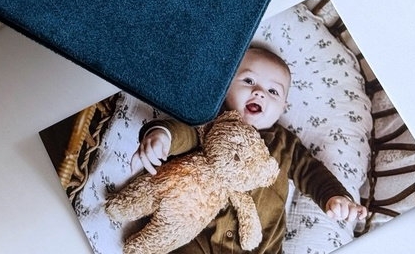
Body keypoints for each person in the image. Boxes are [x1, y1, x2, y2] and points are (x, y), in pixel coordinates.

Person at [133, 45, 367, 253]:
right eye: (248, 81)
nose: (259, 92)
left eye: (273, 92)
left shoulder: (285, 144)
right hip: (196, 238)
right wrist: (163, 136)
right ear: (225, 87)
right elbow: (186, 132)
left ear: (283, 107)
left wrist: (334, 196)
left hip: (261, 248)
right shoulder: (213, 122)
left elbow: (311, 172)